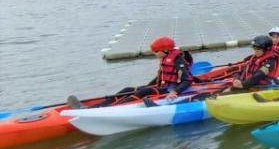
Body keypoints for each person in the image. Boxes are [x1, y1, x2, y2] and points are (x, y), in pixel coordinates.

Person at [67, 36, 195, 109]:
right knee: (128, 88)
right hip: (162, 86)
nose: (154, 54)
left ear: (166, 50)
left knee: (143, 92)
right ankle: (96, 106)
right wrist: (149, 85)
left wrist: (175, 92)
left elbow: (187, 80)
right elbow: (160, 76)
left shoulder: (178, 60)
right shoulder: (166, 58)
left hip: (170, 89)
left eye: (156, 51)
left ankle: (110, 108)